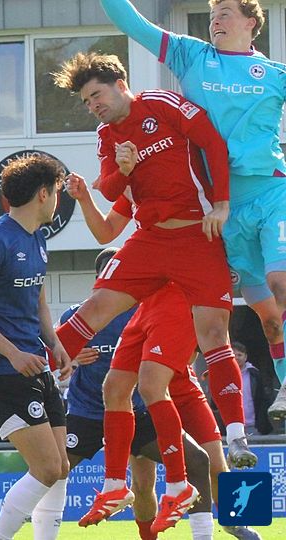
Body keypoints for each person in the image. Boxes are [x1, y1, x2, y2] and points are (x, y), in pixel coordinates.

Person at [52, 51, 256, 469]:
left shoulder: (160, 104)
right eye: (87, 102)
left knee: (190, 355)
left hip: (195, 242)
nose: (93, 106)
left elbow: (212, 141)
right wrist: (123, 170)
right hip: (151, 248)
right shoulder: (108, 137)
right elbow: (112, 203)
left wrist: (221, 204)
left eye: (96, 96)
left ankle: (235, 442)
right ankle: (35, 376)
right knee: (109, 343)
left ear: (120, 84)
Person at [97, 0, 286, 427]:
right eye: (213, 15)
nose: (216, 20)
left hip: (271, 190)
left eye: (226, 13)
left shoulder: (275, 75)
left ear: (251, 22)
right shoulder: (192, 55)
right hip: (220, 209)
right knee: (269, 319)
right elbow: (130, 21)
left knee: (281, 283)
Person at [66, 172, 262, 539]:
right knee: (144, 480)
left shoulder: (180, 206)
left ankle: (237, 521)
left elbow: (205, 328)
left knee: (214, 462)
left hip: (180, 385)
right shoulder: (116, 310)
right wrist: (70, 360)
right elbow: (108, 227)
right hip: (140, 402)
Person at [0, 153, 71, 540]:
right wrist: (12, 352)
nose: (58, 199)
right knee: (46, 468)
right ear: (43, 193)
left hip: (35, 366)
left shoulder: (37, 239)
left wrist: (54, 342)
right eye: (57, 191)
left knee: (61, 467)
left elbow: (37, 298)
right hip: (3, 371)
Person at [231, 342, 276, 436]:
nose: (237, 357)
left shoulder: (254, 375)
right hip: (231, 426)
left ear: (245, 357)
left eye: (239, 355)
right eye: (234, 355)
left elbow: (263, 399)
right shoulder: (224, 376)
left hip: (253, 425)